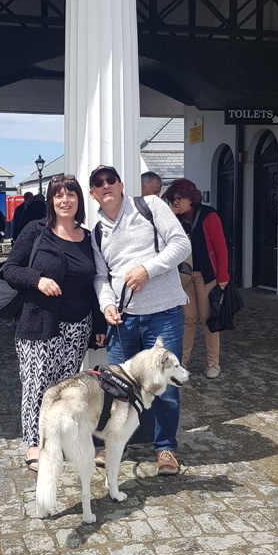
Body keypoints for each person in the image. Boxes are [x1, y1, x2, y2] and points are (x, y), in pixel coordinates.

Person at [90, 164, 191, 475]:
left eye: (111, 180)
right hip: (124, 321)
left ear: (121, 185)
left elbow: (181, 245)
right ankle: (114, 443)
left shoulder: (150, 206)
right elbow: (100, 276)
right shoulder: (97, 231)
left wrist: (149, 269)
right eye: (98, 183)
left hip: (163, 315)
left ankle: (165, 450)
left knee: (166, 387)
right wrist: (106, 304)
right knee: (119, 388)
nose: (106, 185)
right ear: (93, 193)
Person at [2, 175, 106, 472]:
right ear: (51, 201)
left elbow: (95, 283)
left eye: (70, 195)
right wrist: (37, 280)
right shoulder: (36, 231)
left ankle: (57, 440)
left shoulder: (88, 238)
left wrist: (98, 326)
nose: (65, 200)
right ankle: (36, 444)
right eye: (58, 195)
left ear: (79, 200)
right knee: (37, 386)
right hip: (38, 325)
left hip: (77, 326)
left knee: (64, 389)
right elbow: (10, 269)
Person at [164, 179, 229, 379]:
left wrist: (223, 277)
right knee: (188, 320)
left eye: (178, 199)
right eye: (172, 200)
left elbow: (221, 247)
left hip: (206, 276)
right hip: (184, 276)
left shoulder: (209, 215)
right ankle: (181, 364)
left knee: (208, 320)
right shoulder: (176, 219)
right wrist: (172, 219)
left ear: (189, 197)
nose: (175, 203)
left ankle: (213, 363)